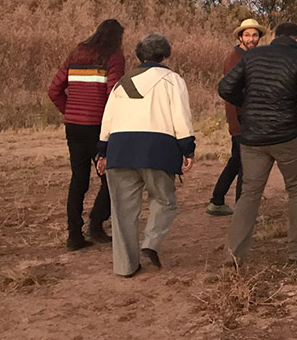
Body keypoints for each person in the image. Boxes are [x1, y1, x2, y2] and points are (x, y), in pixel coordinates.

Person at [95, 34, 196, 277]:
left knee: (122, 212)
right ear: (165, 55)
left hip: (119, 148)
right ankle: (150, 243)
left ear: (139, 55)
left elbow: (107, 119)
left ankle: (125, 267)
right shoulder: (172, 80)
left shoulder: (121, 82)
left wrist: (102, 151)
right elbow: (180, 117)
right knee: (164, 200)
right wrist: (187, 147)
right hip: (158, 148)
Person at [218, 22, 297, 267]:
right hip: (287, 136)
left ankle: (233, 255)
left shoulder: (252, 56)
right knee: (296, 191)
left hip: (252, 137)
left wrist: (248, 107)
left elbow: (225, 87)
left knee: (250, 194)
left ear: (274, 36)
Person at [48, 18, 125, 250]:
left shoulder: (76, 54)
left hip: (74, 126)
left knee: (78, 179)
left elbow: (54, 89)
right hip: (99, 126)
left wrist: (70, 110)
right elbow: (113, 94)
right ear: (117, 38)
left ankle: (74, 235)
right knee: (112, 177)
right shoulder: (113, 58)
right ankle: (96, 223)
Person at [207, 18, 266, 217]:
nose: (251, 38)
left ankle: (217, 200)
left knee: (237, 160)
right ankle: (243, 210)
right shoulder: (234, 58)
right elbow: (230, 95)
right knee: (244, 163)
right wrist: (235, 124)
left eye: (255, 35)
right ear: (240, 36)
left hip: (248, 118)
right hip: (240, 120)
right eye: (248, 35)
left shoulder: (251, 56)